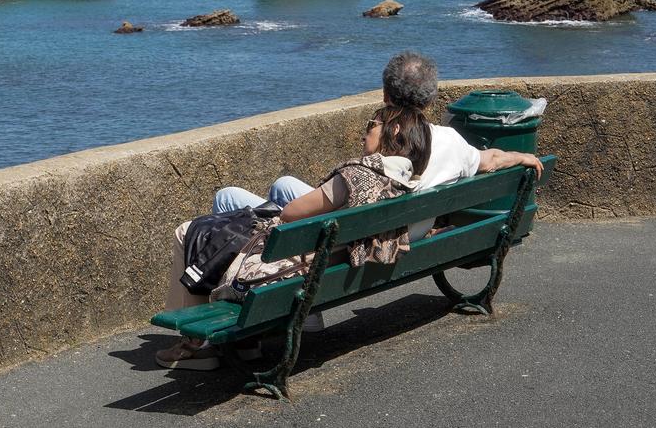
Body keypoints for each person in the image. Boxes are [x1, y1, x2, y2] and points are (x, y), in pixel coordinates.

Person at [156, 51, 544, 370]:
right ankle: (296, 318)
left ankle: (205, 340)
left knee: (227, 199)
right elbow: (490, 159)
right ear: (429, 100)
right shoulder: (451, 143)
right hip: (394, 240)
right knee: (284, 185)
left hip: (341, 247)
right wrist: (521, 156)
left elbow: (292, 216)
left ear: (386, 97)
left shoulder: (369, 169)